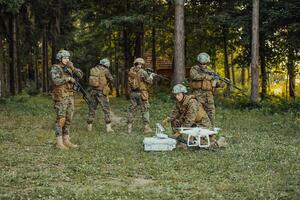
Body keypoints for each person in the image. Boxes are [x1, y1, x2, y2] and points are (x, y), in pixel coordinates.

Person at [169, 84, 226, 148]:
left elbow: (190, 120)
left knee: (200, 145)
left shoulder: (192, 102)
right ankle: (180, 141)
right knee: (175, 121)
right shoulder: (179, 102)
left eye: (178, 94)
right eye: (175, 95)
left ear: (183, 94)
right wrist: (169, 119)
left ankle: (219, 143)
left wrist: (179, 132)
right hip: (194, 125)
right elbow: (175, 113)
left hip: (202, 124)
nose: (177, 97)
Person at [50, 49, 83, 150]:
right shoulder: (56, 68)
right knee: (61, 119)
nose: (67, 59)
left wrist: (72, 68)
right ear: (60, 58)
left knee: (69, 118)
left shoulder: (69, 68)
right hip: (60, 97)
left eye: (68, 58)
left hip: (69, 96)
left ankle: (66, 140)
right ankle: (59, 142)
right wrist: (68, 79)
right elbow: (55, 81)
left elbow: (80, 75)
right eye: (65, 58)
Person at [189, 52, 223, 128]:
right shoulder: (194, 69)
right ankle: (195, 133)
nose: (202, 65)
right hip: (198, 94)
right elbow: (194, 76)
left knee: (211, 113)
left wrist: (220, 83)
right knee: (197, 113)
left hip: (209, 96)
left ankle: (211, 132)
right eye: (201, 63)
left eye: (204, 64)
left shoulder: (211, 71)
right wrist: (207, 76)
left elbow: (215, 82)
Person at [87, 58, 114, 133]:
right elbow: (111, 79)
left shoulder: (93, 69)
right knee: (106, 109)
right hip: (101, 92)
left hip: (93, 92)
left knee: (92, 109)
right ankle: (108, 128)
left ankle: (89, 127)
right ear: (106, 64)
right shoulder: (105, 70)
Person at [127, 58, 154, 134]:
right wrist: (151, 76)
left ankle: (129, 128)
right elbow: (149, 82)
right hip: (142, 94)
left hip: (133, 93)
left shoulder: (131, 72)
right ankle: (146, 128)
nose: (141, 66)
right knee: (145, 110)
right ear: (140, 64)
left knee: (131, 110)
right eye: (141, 64)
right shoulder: (143, 72)